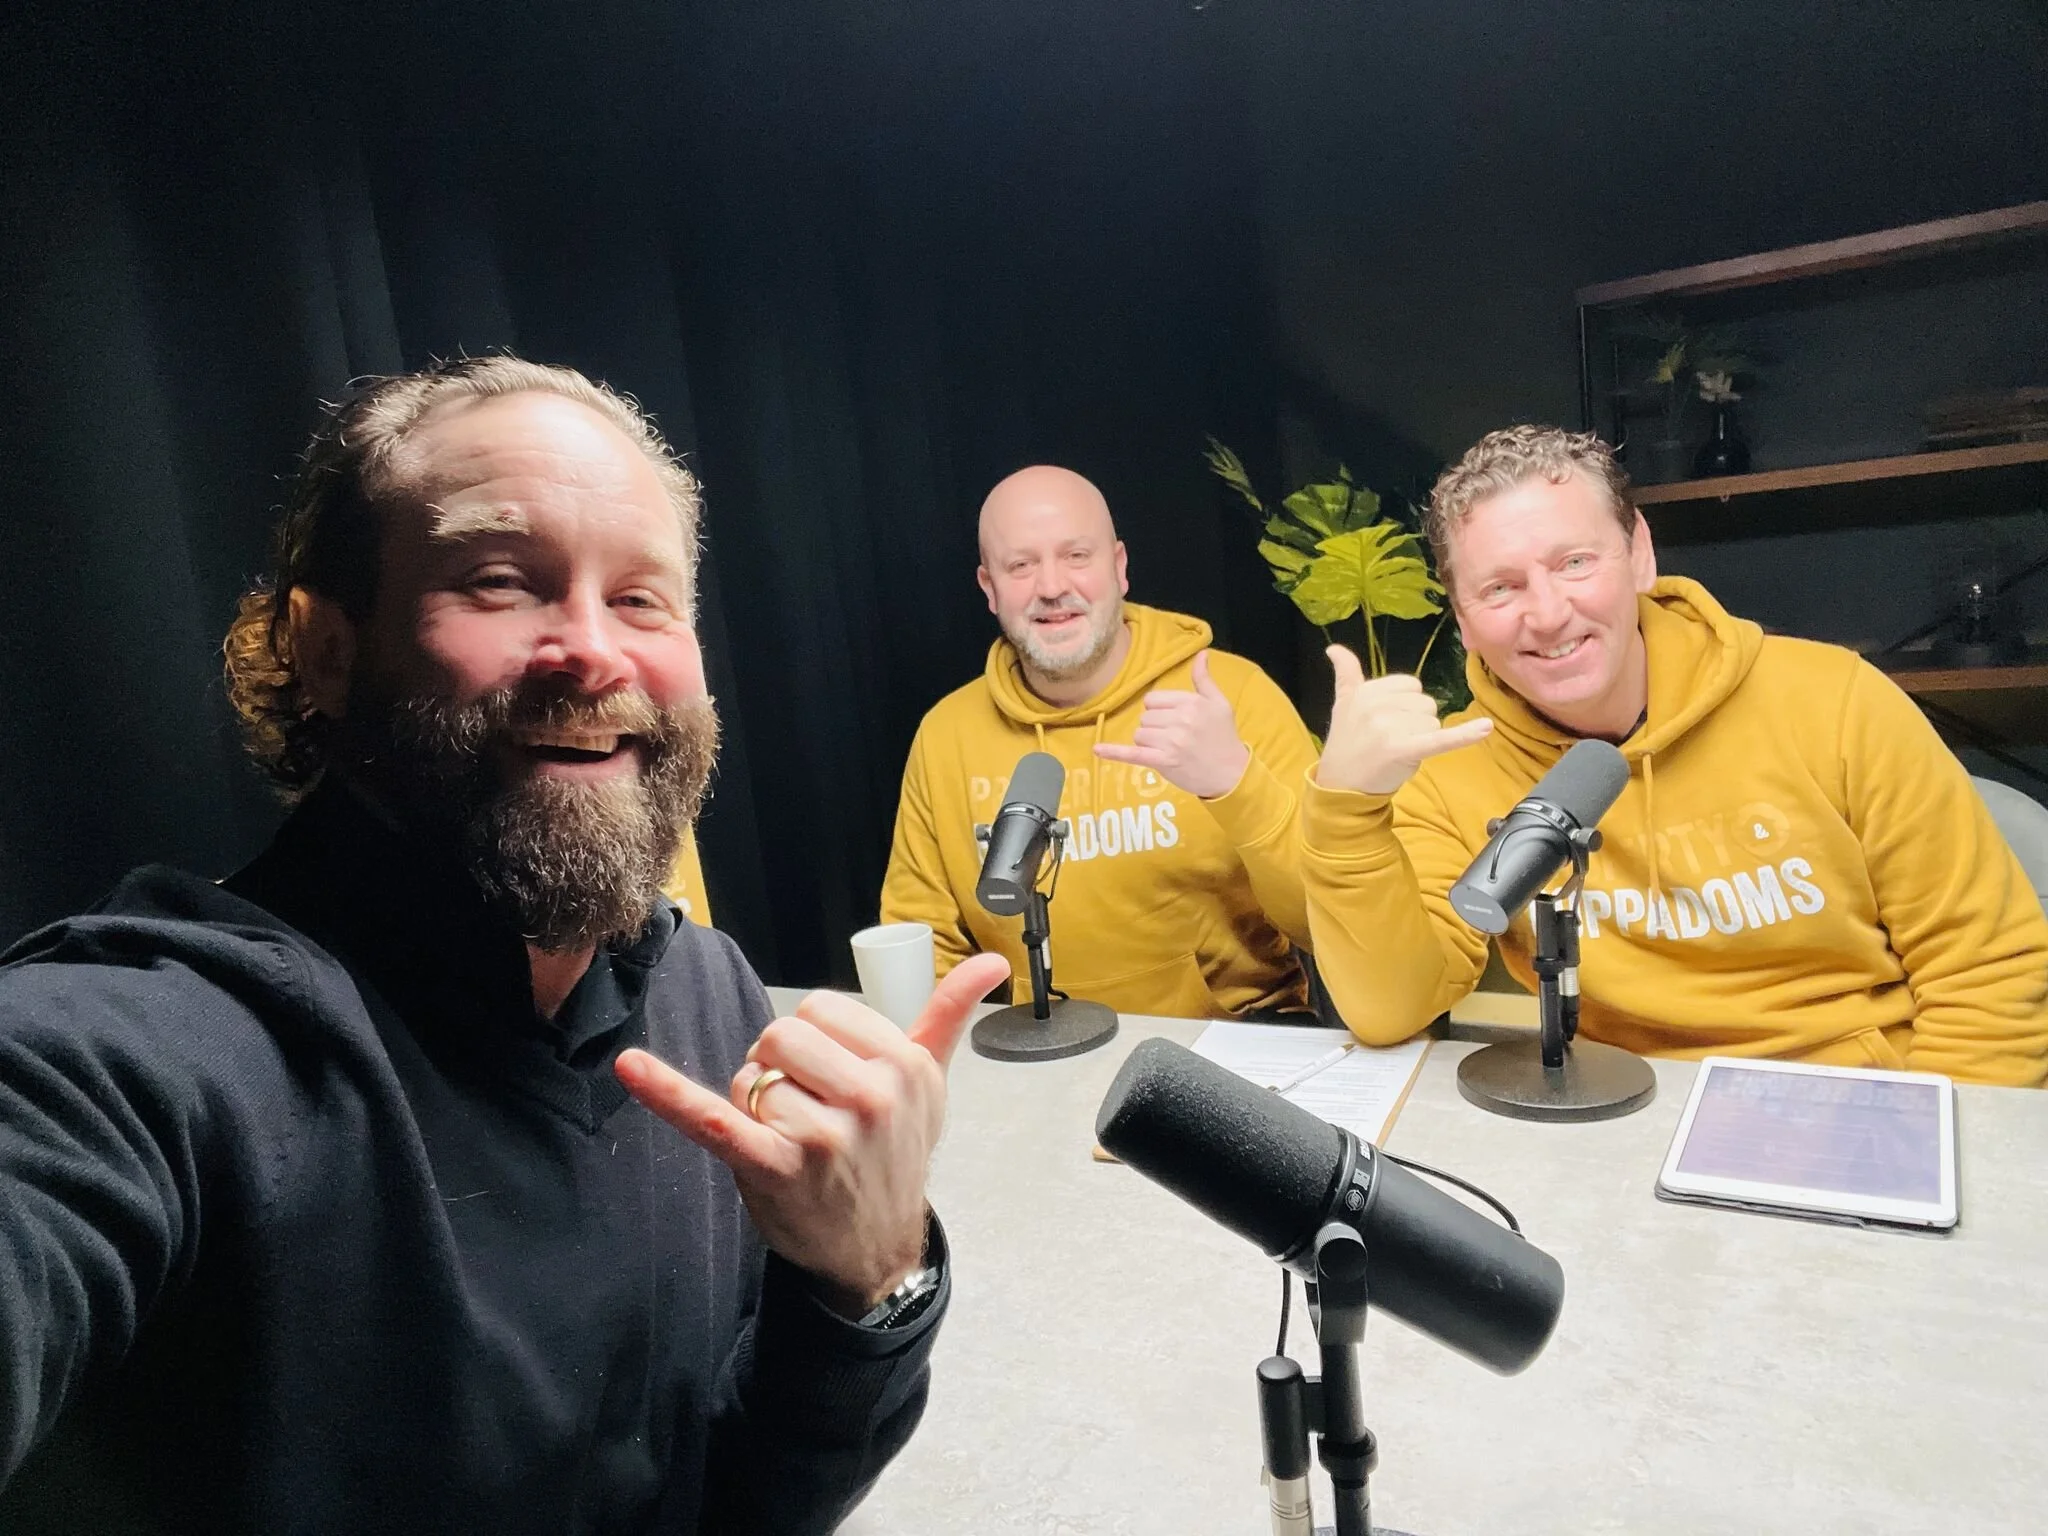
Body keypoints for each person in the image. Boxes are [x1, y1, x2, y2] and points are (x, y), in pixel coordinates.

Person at [0, 355, 1011, 1534]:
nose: (593, 652)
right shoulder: (152, 1052)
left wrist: (863, 1277)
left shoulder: (710, 1002)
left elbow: (736, 1501)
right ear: (327, 650)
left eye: (642, 597)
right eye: (497, 581)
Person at [1302, 424, 2048, 1086]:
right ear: (1463, 620)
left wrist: (1921, 1159)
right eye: (1500, 588)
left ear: (1639, 556)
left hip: (1863, 1106)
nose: (1548, 612)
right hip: (1623, 1122)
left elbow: (1987, 975)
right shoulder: (1453, 771)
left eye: (1573, 563)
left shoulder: (1836, 701)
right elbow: (1390, 1011)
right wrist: (1345, 809)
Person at [881, 464, 1319, 1020]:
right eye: (1021, 565)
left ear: (1119, 567)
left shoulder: (1232, 696)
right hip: (1038, 1056)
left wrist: (1235, 784)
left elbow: (1327, 921)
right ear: (989, 589)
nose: (1051, 586)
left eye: (1076, 556)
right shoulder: (947, 735)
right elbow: (923, 943)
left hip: (1232, 1045)